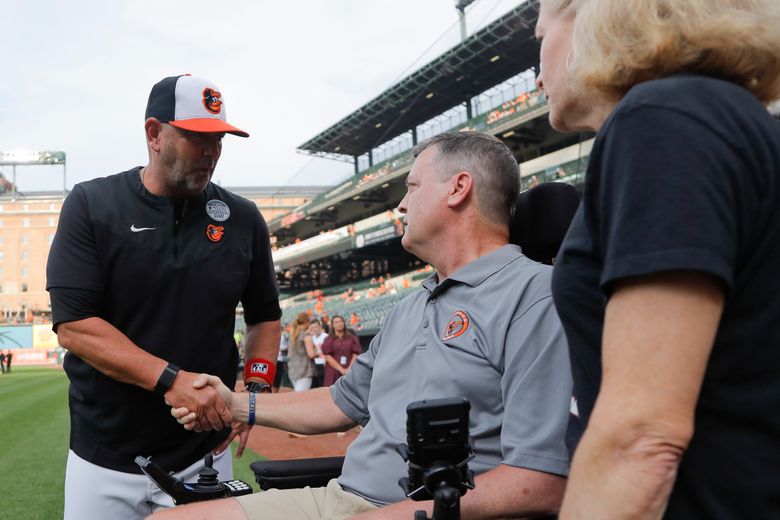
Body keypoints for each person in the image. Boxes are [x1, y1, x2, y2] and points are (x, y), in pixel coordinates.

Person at [154, 131, 572, 520]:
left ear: (458, 188)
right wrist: (233, 403)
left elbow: (538, 481)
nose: (401, 205)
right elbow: (340, 403)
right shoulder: (410, 307)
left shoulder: (537, 296)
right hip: (342, 498)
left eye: (412, 187)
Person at [535, 1, 780, 517]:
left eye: (539, 38)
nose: (536, 73)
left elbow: (641, 438)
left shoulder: (665, 118)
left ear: (592, 19)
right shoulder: (707, 116)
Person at [45, 74, 282, 520]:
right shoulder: (92, 204)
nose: (211, 152)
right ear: (154, 133)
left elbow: (265, 316)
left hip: (203, 454)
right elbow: (74, 325)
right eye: (196, 137)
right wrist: (172, 380)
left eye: (218, 139)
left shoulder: (244, 218)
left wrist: (255, 390)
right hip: (104, 458)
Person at [320, 314, 361, 387]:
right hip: (333, 371)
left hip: (349, 370)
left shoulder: (351, 338)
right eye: (336, 322)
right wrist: (341, 369)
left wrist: (349, 368)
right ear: (332, 325)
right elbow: (327, 356)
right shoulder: (328, 339)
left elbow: (355, 353)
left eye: (341, 321)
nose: (339, 324)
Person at [286, 312, 317, 392]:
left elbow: (289, 354)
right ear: (307, 321)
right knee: (300, 397)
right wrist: (318, 352)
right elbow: (311, 354)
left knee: (298, 394)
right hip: (304, 370)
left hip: (293, 369)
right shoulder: (306, 335)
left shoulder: (292, 335)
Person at [308, 318, 329, 388]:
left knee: (324, 386)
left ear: (320, 326)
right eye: (312, 327)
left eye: (316, 327)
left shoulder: (326, 336)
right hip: (315, 364)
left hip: (325, 364)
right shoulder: (312, 338)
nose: (314, 329)